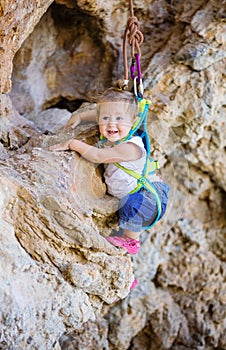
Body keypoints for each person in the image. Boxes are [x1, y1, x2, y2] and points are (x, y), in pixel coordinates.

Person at [50, 86, 169, 255]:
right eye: (105, 118)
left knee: (133, 209)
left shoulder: (130, 148)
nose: (111, 123)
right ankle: (131, 278)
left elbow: (98, 156)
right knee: (120, 227)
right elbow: (99, 114)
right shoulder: (114, 128)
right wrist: (80, 116)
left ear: (133, 121)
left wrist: (72, 144)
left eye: (119, 118)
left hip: (146, 198)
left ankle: (132, 241)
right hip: (132, 194)